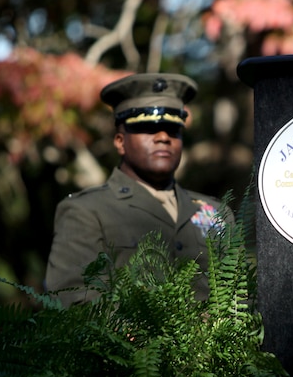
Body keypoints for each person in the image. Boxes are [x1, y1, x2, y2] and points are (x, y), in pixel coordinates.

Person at [45, 73, 224, 306]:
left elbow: (244, 295)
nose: (163, 137)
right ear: (120, 141)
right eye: (149, 128)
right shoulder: (86, 212)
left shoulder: (216, 211)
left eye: (173, 130)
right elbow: (74, 299)